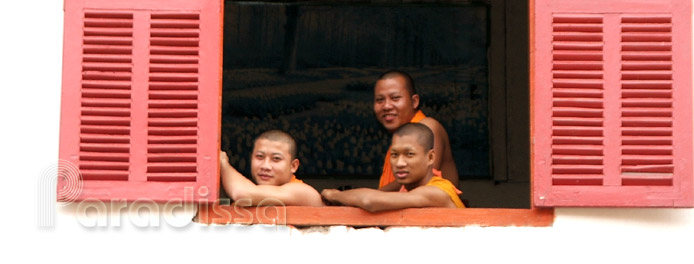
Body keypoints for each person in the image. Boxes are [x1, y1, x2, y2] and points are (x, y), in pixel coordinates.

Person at [321, 123, 464, 212]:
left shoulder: (436, 192)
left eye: (409, 154)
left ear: (431, 157)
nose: (400, 163)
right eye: (394, 155)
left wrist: (334, 195)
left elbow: (369, 201)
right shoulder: (407, 192)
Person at [373, 70, 458, 191]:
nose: (386, 106)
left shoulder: (427, 128)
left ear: (414, 101)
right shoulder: (401, 137)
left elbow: (418, 183)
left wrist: (367, 197)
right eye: (380, 100)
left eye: (395, 98)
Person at [220, 130, 323, 206]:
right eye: (259, 157)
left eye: (276, 159)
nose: (265, 166)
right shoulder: (253, 191)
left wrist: (223, 163)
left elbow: (243, 194)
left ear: (293, 166)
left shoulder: (303, 192)